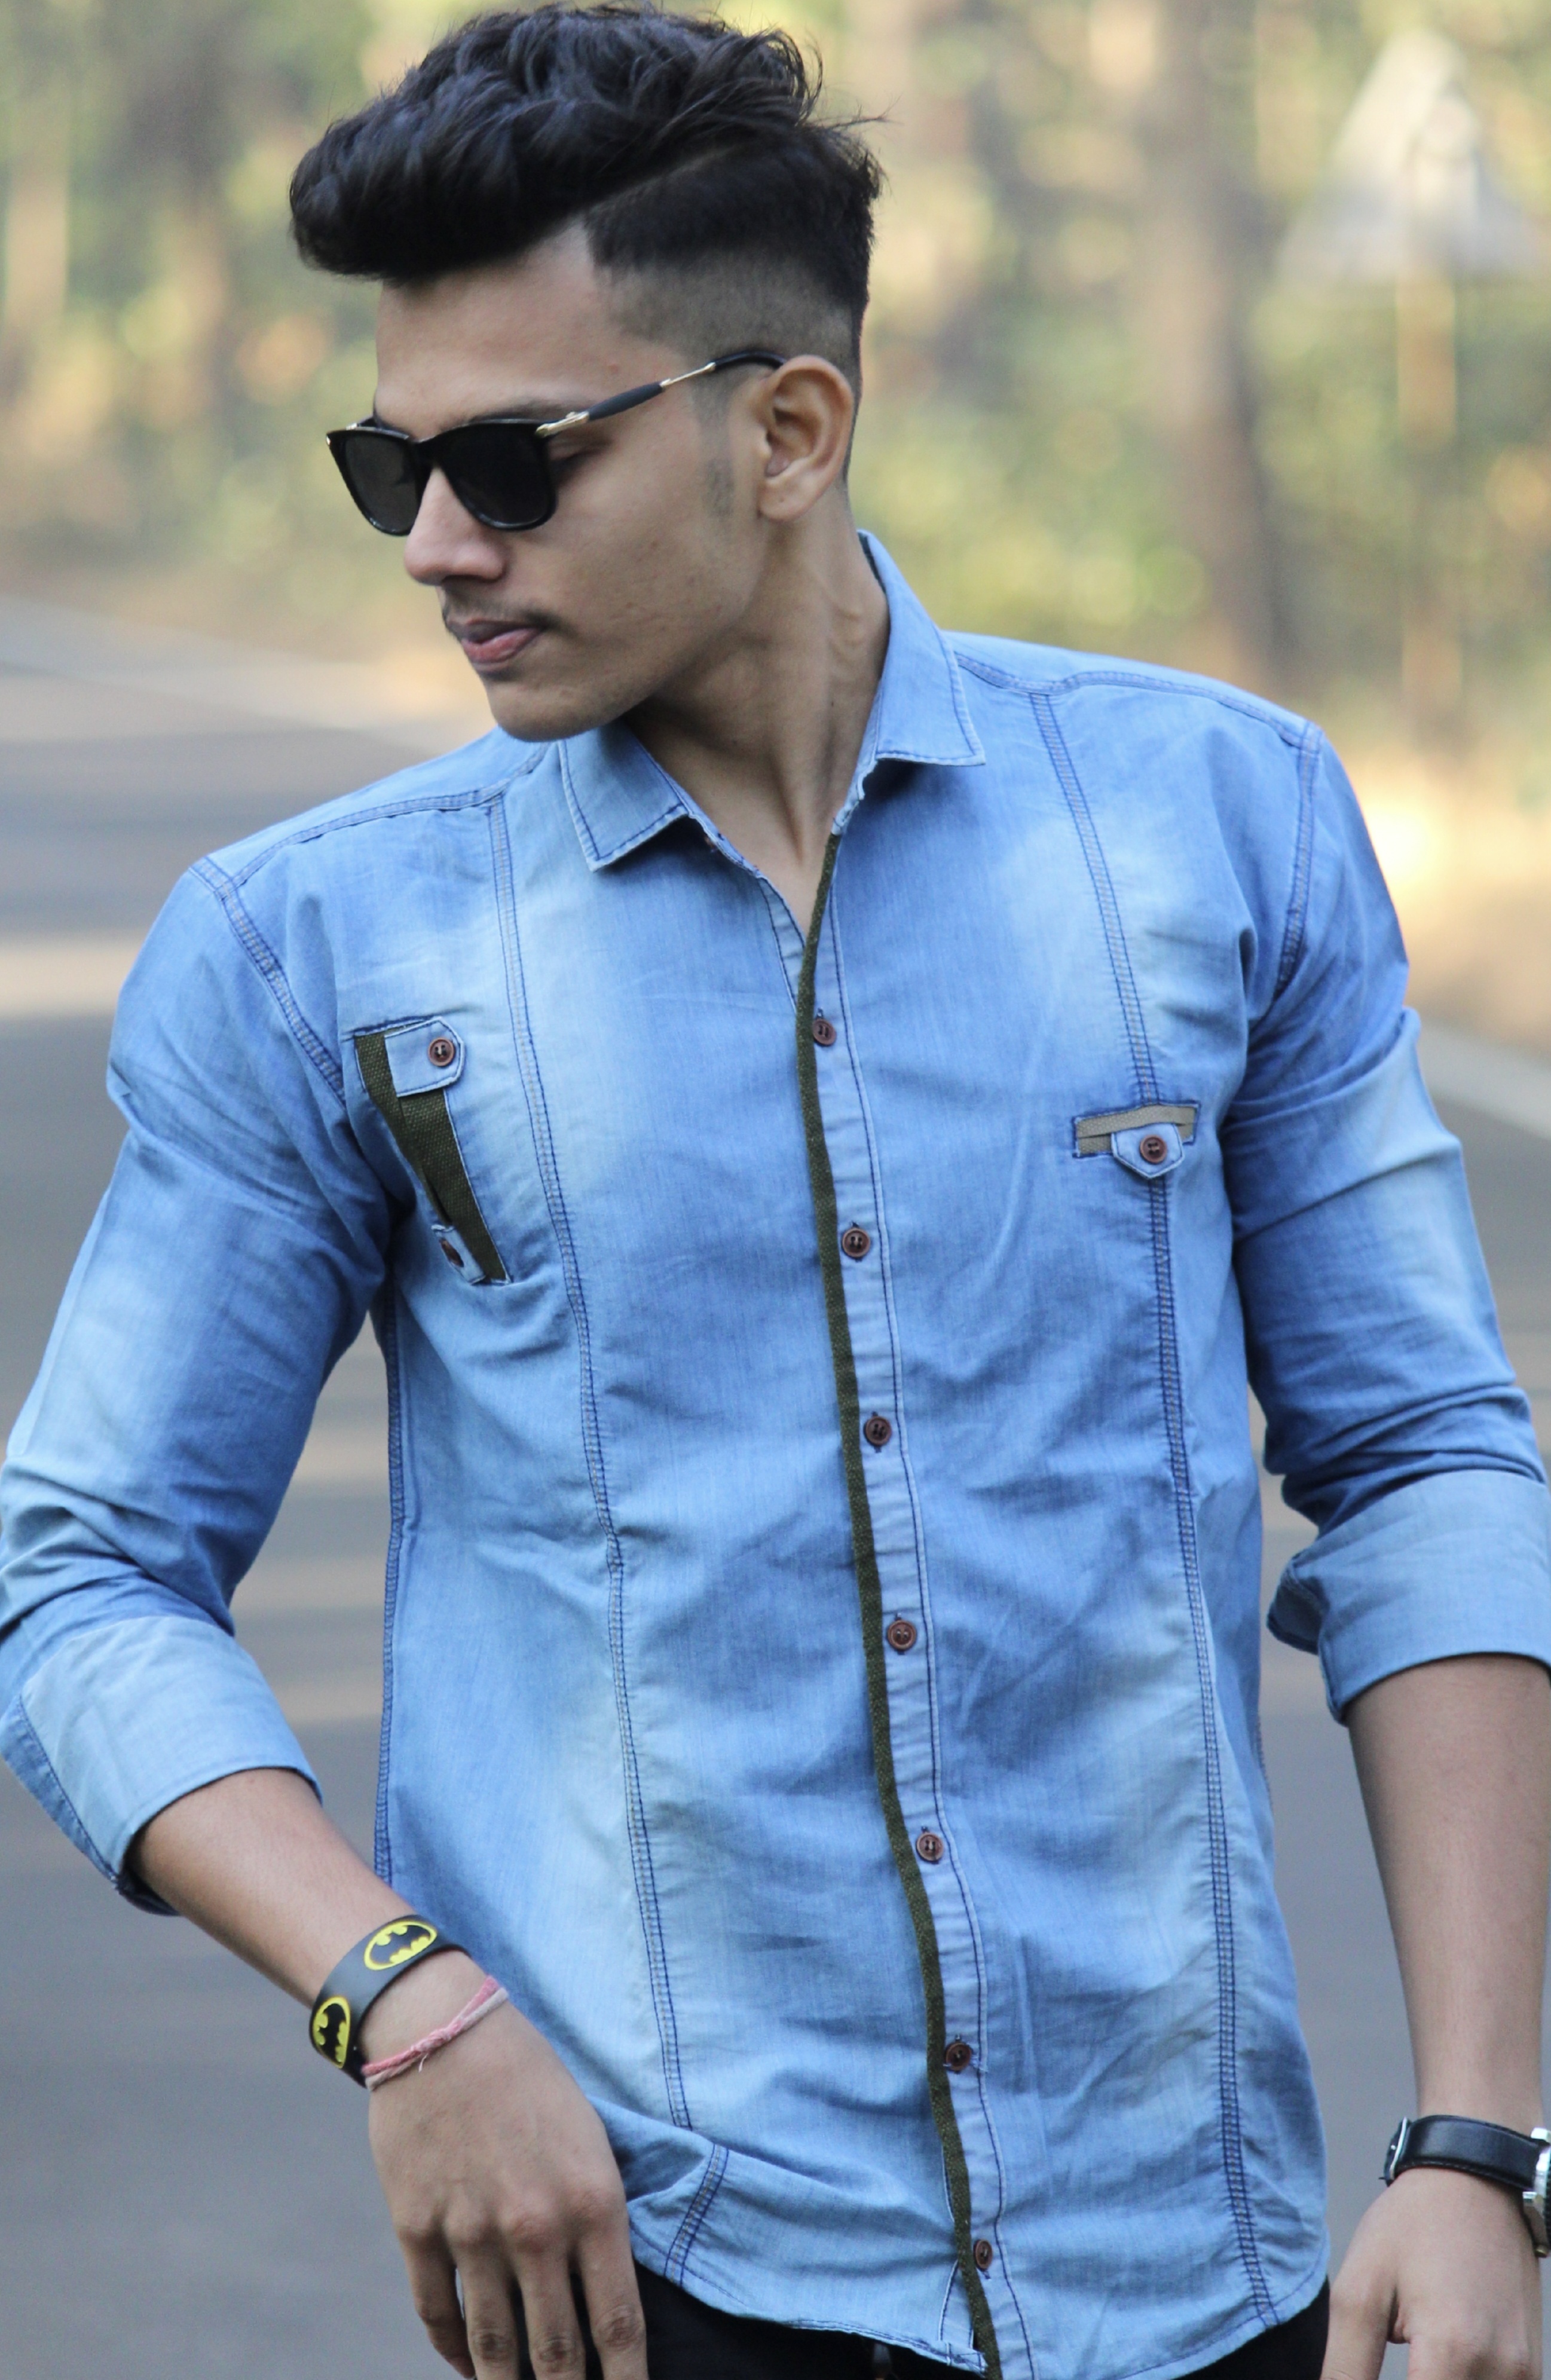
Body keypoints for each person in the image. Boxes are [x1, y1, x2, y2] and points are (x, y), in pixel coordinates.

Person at [2, 8, 1549, 2378]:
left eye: (509, 463)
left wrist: (1476, 2144)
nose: (437, 544)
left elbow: (1426, 1463)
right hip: (663, 2287)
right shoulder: (317, 948)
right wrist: (400, 2003)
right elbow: (86, 1574)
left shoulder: (1217, 824)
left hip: (1205, 2266)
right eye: (388, 465)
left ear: (788, 432)